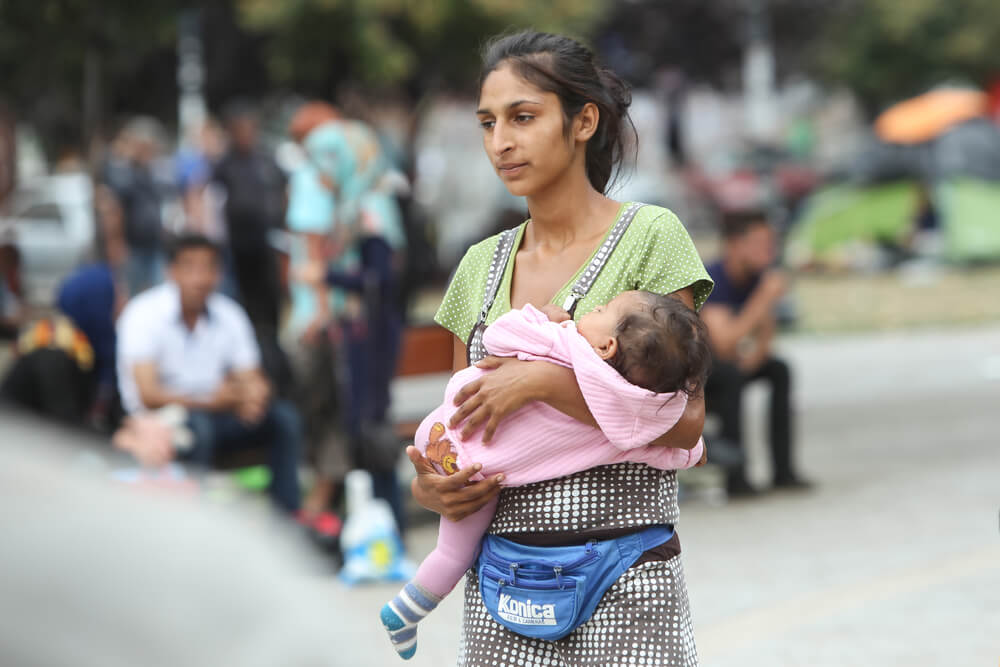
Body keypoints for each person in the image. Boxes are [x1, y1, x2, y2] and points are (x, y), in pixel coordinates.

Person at [407, 31, 713, 666]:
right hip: (502, 588)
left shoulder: (651, 236)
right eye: (488, 123)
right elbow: (457, 422)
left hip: (625, 577)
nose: (502, 141)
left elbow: (686, 423)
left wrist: (542, 384)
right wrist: (434, 488)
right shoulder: (478, 267)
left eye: (524, 117)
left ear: (583, 121)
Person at [381, 292, 710, 659]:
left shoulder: (565, 343)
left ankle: (405, 613)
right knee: (453, 553)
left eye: (601, 310)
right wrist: (692, 452)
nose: (592, 308)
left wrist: (542, 318)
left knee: (452, 551)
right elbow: (662, 446)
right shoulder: (624, 414)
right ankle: (405, 612)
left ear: (606, 345)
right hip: (473, 464)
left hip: (450, 437)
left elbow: (498, 336)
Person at [115, 234, 302, 513]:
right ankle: (197, 524)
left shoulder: (229, 314)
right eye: (189, 267)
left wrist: (254, 396)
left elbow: (252, 376)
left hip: (220, 413)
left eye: (208, 268)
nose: (200, 278)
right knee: (197, 429)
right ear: (172, 271)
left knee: (284, 419)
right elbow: (149, 395)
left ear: (218, 273)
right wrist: (219, 401)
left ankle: (286, 521)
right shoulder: (143, 314)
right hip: (161, 421)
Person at [701, 210, 811, 497]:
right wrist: (763, 298)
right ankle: (736, 479)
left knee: (778, 369)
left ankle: (783, 472)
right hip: (698, 374)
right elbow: (722, 344)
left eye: (771, 244)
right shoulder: (714, 278)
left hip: (729, 365)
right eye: (760, 244)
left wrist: (755, 357)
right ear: (735, 245)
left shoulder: (758, 278)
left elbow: (764, 342)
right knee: (730, 375)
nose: (769, 252)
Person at [0, 264, 123, 427]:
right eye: (115, 297)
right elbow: (65, 429)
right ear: (96, 304)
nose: (122, 304)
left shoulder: (93, 347)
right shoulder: (53, 351)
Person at [102, 118, 167, 295]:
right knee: (132, 292)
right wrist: (116, 242)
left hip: (154, 243)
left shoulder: (152, 171)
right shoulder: (121, 172)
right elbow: (114, 210)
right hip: (132, 246)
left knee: (158, 290)